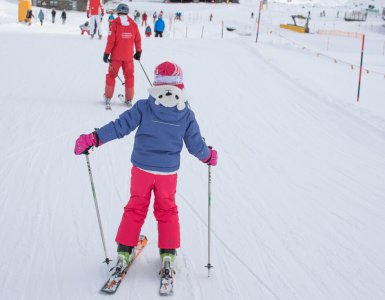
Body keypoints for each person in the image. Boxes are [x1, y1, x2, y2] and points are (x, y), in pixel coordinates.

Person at [74, 61, 218, 282]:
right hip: (168, 174)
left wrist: (94, 138)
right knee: (167, 210)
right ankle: (168, 255)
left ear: (156, 83)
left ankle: (123, 252)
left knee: (136, 207)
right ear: (181, 85)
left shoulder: (144, 106)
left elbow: (119, 127)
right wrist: (207, 156)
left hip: (141, 170)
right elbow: (195, 145)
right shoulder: (186, 115)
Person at [103, 3, 141, 106]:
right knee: (129, 76)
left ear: (118, 12)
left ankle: (108, 97)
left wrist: (106, 53)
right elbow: (137, 40)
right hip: (128, 57)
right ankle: (129, 99)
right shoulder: (133, 25)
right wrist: (138, 51)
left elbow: (110, 41)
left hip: (116, 57)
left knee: (111, 76)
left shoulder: (114, 24)